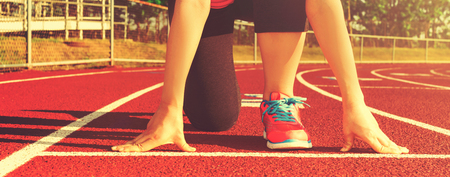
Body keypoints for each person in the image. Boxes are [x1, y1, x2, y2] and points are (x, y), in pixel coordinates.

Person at [112, 0, 409, 154]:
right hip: (214, 4)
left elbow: (320, 3)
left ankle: (278, 100)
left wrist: (355, 104)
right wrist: (169, 107)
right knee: (215, 117)